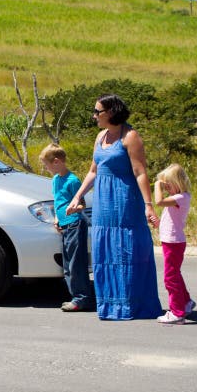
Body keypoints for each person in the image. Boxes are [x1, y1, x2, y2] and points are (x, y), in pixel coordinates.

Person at [66, 94, 162, 320]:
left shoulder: (130, 137)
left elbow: (140, 173)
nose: (94, 116)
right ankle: (111, 305)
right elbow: (93, 170)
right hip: (103, 203)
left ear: (110, 112)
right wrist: (78, 196)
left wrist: (148, 205)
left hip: (124, 201)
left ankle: (131, 304)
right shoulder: (100, 136)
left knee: (126, 250)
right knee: (105, 251)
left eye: (97, 111)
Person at [39, 143, 95, 312]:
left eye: (46, 165)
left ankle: (82, 298)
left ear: (56, 162)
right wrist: (57, 218)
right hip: (65, 225)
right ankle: (76, 296)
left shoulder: (73, 180)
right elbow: (58, 201)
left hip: (75, 224)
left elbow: (82, 204)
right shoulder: (56, 179)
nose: (46, 168)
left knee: (76, 264)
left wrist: (73, 209)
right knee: (67, 263)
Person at [154, 163, 196, 324]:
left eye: (168, 185)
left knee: (170, 278)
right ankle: (186, 303)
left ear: (177, 183)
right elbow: (171, 219)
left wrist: (157, 185)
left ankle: (177, 312)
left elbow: (158, 201)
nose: (166, 188)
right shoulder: (177, 199)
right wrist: (158, 222)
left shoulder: (181, 197)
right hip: (171, 241)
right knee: (175, 274)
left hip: (174, 242)